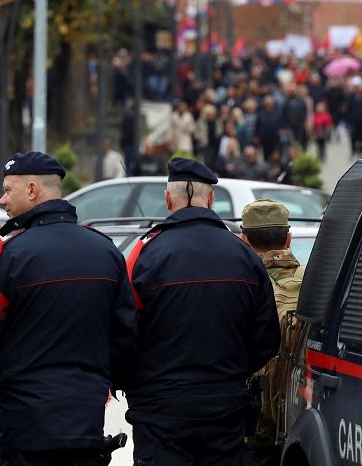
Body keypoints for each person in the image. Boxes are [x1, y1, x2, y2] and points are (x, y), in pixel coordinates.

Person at [124, 158, 280, 466]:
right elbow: (266, 337)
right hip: (224, 410)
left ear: (169, 199)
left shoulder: (144, 253)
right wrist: (230, 374)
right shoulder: (243, 255)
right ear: (211, 199)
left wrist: (140, 386)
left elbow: (122, 332)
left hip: (161, 413)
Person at [0, 151, 137, 465]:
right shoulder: (105, 250)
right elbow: (124, 333)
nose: (2, 200)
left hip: (23, 421)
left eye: (7, 190)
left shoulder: (7, 253)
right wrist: (101, 381)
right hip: (86, 416)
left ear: (32, 190)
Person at [239, 199, 305, 466]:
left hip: (257, 432)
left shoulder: (240, 287)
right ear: (288, 239)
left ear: (244, 239)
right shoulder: (317, 283)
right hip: (306, 425)